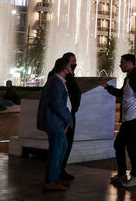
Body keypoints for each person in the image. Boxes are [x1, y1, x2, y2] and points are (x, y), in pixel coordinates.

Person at [99, 54, 136, 189]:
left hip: (135, 116)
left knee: (131, 146)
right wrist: (107, 87)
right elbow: (122, 94)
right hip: (130, 117)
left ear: (129, 63)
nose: (120, 65)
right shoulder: (130, 77)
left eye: (122, 62)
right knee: (119, 144)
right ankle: (122, 174)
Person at [37, 57, 74, 192]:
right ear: (64, 68)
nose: (72, 68)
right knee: (56, 151)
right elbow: (58, 105)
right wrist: (68, 120)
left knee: (61, 148)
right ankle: (50, 180)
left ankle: (55, 177)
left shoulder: (58, 81)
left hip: (57, 122)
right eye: (70, 66)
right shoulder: (56, 82)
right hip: (55, 122)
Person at [48, 52, 80, 182]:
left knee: (65, 145)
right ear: (65, 64)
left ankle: (58, 172)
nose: (74, 65)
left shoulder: (67, 76)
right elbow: (58, 102)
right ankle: (53, 177)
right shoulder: (56, 78)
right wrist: (67, 120)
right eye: (72, 63)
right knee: (58, 148)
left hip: (67, 115)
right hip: (62, 118)